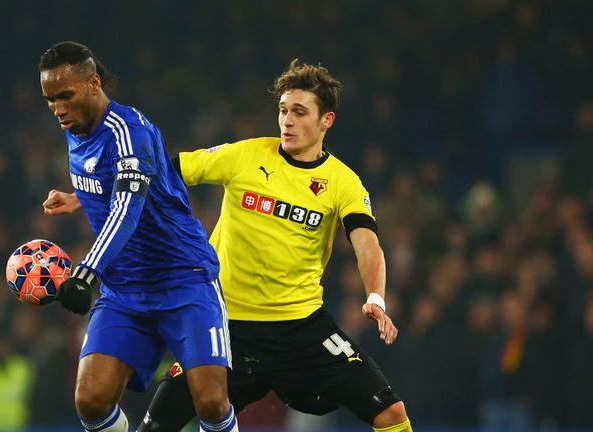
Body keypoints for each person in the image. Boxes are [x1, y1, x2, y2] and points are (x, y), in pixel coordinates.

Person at [137, 60, 413, 432]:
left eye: (300, 112)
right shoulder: (245, 156)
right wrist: (89, 194)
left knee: (391, 413)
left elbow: (368, 245)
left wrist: (375, 297)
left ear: (326, 121)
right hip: (223, 327)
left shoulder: (343, 182)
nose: (287, 120)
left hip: (301, 331)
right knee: (155, 427)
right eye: (283, 111)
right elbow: (162, 172)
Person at [38, 41, 238, 432]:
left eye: (65, 96)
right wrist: (81, 195)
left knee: (212, 402)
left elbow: (127, 207)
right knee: (90, 400)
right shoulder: (76, 127)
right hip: (126, 291)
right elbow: (122, 180)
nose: (58, 109)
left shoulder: (131, 131)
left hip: (185, 280)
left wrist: (85, 273)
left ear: (93, 84)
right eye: (49, 100)